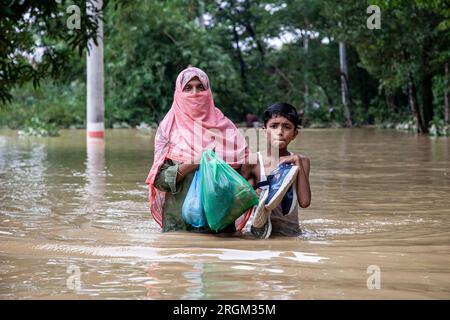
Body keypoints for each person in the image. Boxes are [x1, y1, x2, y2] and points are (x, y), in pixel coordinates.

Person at [145, 67, 249, 232]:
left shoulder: (228, 130)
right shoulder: (168, 130)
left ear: (208, 92)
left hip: (219, 228)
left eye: (200, 87)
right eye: (188, 88)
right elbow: (159, 181)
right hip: (179, 227)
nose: (195, 93)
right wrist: (193, 163)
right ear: (178, 93)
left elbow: (244, 180)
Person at [240, 102, 311, 239]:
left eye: (287, 127)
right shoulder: (253, 162)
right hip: (260, 234)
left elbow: (305, 202)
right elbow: (240, 203)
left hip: (291, 233)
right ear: (264, 130)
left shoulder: (301, 161)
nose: (280, 132)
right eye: (274, 126)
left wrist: (296, 161)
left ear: (295, 134)